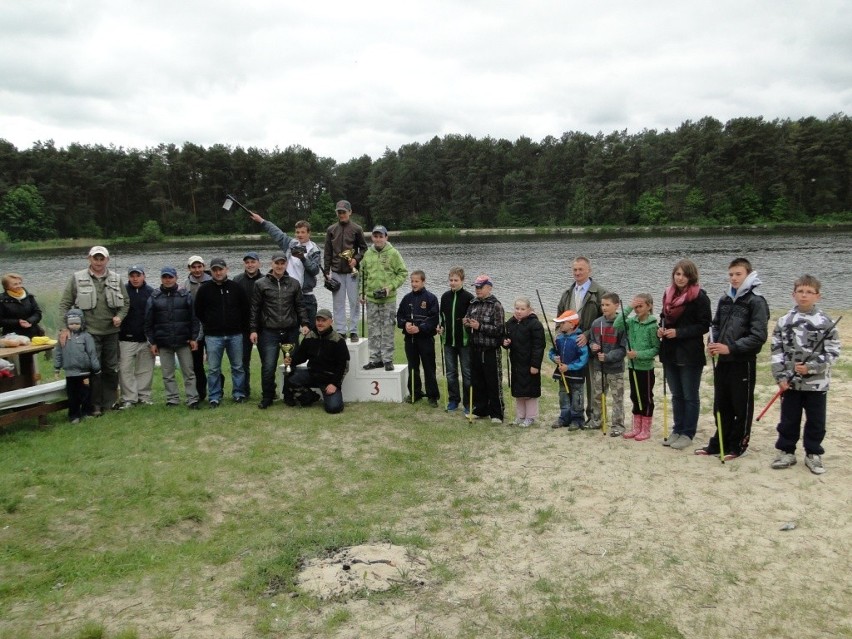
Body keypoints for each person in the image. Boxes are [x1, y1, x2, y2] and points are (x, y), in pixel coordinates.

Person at [698, 257, 770, 460]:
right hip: (722, 361)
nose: (734, 278)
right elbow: (715, 325)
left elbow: (758, 336)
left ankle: (737, 445)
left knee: (741, 406)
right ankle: (719, 441)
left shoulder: (756, 301)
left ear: (748, 274)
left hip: (743, 361)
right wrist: (712, 343)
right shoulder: (725, 298)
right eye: (731, 274)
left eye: (738, 274)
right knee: (721, 404)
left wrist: (731, 348)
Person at [770, 275, 841, 475]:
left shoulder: (826, 322)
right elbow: (777, 351)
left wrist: (811, 367)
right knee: (789, 419)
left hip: (817, 384)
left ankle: (813, 453)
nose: (804, 295)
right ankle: (786, 450)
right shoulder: (784, 321)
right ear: (794, 295)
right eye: (800, 291)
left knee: (816, 420)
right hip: (790, 383)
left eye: (809, 292)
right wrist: (781, 377)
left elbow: (833, 353)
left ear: (817, 296)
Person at [58, 246, 129, 416]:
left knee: (111, 368)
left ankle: (110, 403)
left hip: (111, 332)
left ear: (107, 260)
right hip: (88, 333)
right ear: (89, 258)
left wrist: (120, 316)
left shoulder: (116, 278)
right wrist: (64, 328)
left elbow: (126, 302)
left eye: (101, 258)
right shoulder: (77, 278)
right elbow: (64, 305)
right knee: (93, 370)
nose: (98, 262)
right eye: (95, 258)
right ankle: (94, 405)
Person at [658, 259, 712, 450]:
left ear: (691, 277)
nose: (680, 278)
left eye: (684, 274)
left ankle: (688, 432)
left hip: (689, 353)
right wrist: (661, 329)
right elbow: (663, 318)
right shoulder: (668, 294)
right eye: (677, 274)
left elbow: (705, 325)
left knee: (690, 395)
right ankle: (677, 428)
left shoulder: (699, 297)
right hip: (670, 352)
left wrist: (679, 333)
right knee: (676, 394)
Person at [250, 252, 310, 409]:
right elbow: (255, 309)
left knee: (291, 365)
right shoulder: (260, 284)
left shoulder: (294, 283)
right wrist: (253, 329)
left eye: (282, 263)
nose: (279, 266)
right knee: (268, 366)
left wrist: (304, 323)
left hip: (290, 330)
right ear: (272, 264)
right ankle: (268, 396)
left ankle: (289, 395)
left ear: (286, 265)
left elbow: (300, 306)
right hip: (269, 332)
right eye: (277, 263)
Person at [249, 212, 322, 330]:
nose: (300, 235)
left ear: (309, 233)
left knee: (310, 331)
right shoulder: (291, 244)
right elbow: (277, 233)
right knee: (291, 330)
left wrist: (303, 258)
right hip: (289, 293)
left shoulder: (315, 250)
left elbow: (314, 270)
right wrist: (262, 220)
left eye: (303, 232)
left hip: (306, 296)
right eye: (297, 232)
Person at [556, 257, 607, 424]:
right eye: (575, 270)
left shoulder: (600, 292)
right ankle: (571, 416)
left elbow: (605, 321)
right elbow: (559, 318)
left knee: (594, 384)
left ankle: (594, 417)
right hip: (570, 348)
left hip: (591, 347)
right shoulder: (567, 293)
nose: (577, 273)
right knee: (571, 383)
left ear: (589, 271)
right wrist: (560, 338)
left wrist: (586, 335)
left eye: (581, 269)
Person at [193, 258, 249, 407]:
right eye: (215, 270)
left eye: (220, 269)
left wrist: (238, 325)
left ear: (226, 269)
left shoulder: (236, 287)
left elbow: (245, 310)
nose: (218, 272)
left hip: (235, 334)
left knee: (237, 366)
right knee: (213, 369)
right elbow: (198, 311)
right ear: (211, 271)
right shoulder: (204, 289)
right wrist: (210, 323)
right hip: (212, 336)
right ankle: (215, 396)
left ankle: (238, 393)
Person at [144, 266, 200, 409]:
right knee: (167, 374)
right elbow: (148, 323)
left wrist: (194, 338)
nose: (167, 280)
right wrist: (152, 342)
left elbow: (194, 318)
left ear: (176, 278)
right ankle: (172, 399)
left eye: (170, 277)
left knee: (189, 372)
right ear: (161, 279)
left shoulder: (185, 295)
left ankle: (192, 398)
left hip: (183, 341)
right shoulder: (154, 297)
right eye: (165, 277)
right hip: (163, 342)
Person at [282, 308, 350, 414]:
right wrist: (291, 361)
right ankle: (311, 397)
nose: (320, 323)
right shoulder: (309, 336)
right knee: (290, 377)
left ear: (331, 321)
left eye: (323, 320)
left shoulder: (338, 340)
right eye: (318, 320)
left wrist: (334, 384)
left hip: (329, 379)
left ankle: (330, 398)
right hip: (312, 374)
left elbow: (343, 365)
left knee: (334, 408)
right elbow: (301, 356)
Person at [361, 225, 408, 371]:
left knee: (387, 329)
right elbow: (362, 275)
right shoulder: (368, 254)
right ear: (372, 238)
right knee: (373, 330)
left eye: (381, 236)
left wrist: (390, 287)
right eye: (376, 236)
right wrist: (361, 292)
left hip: (388, 299)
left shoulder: (393, 253)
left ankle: (387, 359)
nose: (378, 239)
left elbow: (403, 273)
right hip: (371, 299)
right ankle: (375, 359)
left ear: (386, 237)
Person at [614, 294, 660, 441]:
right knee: (635, 396)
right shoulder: (632, 322)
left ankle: (645, 429)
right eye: (636, 306)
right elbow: (617, 324)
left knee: (646, 397)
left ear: (649, 307)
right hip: (632, 366)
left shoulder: (653, 325)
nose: (637, 309)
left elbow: (655, 349)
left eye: (640, 306)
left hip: (645, 368)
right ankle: (636, 427)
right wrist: (629, 307)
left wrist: (638, 354)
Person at [323, 200, 368, 341]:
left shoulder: (357, 229)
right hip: (336, 271)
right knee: (338, 303)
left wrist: (356, 259)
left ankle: (353, 330)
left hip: (352, 272)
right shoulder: (331, 230)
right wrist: (326, 271)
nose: (341, 214)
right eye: (339, 212)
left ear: (350, 212)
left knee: (354, 302)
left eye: (343, 212)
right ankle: (341, 330)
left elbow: (364, 248)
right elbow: (327, 252)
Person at [464, 274, 505, 424]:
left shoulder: (496, 305)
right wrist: (467, 324)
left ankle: (497, 413)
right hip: (475, 347)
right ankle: (480, 410)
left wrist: (480, 326)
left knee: (493, 382)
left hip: (490, 350)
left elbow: (499, 330)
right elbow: (469, 325)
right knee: (477, 381)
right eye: (476, 287)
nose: (478, 290)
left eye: (480, 287)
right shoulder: (473, 304)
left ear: (489, 288)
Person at [397, 270, 440, 406]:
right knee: (413, 367)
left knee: (429, 367)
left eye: (416, 281)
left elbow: (433, 319)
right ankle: (415, 393)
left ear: (423, 281)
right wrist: (406, 324)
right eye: (412, 281)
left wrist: (419, 328)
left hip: (425, 339)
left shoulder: (431, 298)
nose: (414, 284)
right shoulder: (406, 298)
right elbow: (399, 316)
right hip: (410, 340)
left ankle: (432, 396)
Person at [588, 292, 627, 436]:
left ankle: (618, 424)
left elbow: (623, 349)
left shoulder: (622, 324)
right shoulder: (597, 323)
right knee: (597, 395)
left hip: (615, 369)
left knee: (617, 398)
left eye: (607, 305)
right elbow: (591, 340)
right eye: (602, 305)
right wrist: (593, 347)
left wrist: (609, 356)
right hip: (598, 367)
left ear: (616, 305)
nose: (604, 307)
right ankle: (597, 420)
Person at [502, 297, 545, 427]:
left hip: (529, 363)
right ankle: (520, 416)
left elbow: (539, 346)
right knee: (518, 391)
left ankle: (530, 417)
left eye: (522, 309)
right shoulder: (511, 322)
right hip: (516, 362)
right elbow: (505, 338)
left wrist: (535, 365)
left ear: (529, 310)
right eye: (517, 308)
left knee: (530, 391)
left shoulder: (535, 325)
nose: (519, 311)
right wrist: (505, 343)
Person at [117, 265, 155, 408]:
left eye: (138, 275)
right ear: (128, 277)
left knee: (145, 369)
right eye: (132, 275)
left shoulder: (151, 292)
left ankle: (143, 396)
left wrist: (153, 338)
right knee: (125, 369)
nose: (135, 278)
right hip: (126, 338)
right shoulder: (122, 292)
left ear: (143, 276)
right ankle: (129, 398)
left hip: (145, 338)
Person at [53, 309, 100, 424]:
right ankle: (74, 415)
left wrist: (96, 368)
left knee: (85, 394)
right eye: (71, 324)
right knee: (72, 395)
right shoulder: (62, 337)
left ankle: (86, 412)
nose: (74, 326)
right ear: (67, 324)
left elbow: (92, 353)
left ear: (82, 323)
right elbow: (58, 353)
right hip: (70, 372)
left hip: (84, 372)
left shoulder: (86, 337)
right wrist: (57, 368)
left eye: (77, 323)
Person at [439, 267, 474, 414]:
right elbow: (442, 317)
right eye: (451, 280)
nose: (453, 283)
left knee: (467, 373)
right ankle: (454, 400)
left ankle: (468, 403)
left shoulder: (469, 297)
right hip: (448, 342)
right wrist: (440, 327)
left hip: (464, 342)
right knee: (451, 373)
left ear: (462, 281)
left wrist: (467, 324)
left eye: (456, 280)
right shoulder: (445, 297)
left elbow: (472, 318)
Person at [548, 311, 588, 430]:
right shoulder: (559, 338)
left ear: (572, 324)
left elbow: (583, 358)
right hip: (562, 374)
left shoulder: (579, 339)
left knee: (577, 397)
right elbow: (552, 352)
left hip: (576, 375)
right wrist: (554, 358)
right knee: (563, 396)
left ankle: (577, 419)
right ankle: (564, 417)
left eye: (562, 323)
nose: (560, 326)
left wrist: (569, 367)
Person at [233, 252, 263, 398]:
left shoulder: (266, 280)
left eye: (253, 262)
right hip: (243, 328)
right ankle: (244, 390)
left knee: (267, 361)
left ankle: (268, 390)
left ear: (259, 263)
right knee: (243, 361)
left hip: (263, 327)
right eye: (247, 262)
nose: (250, 265)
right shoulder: (237, 280)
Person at [185, 255, 212, 402]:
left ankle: (216, 392)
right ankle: (201, 393)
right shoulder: (184, 285)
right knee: (196, 364)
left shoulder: (213, 281)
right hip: (194, 331)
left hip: (212, 329)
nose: (197, 270)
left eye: (199, 266)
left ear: (204, 266)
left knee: (214, 363)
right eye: (193, 267)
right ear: (189, 269)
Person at [1, 272, 44, 338]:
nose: (19, 286)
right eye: (15, 284)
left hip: (33, 333)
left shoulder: (29, 297)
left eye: (20, 283)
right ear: (6, 286)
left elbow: (37, 313)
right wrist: (18, 322)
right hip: (11, 336)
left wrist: (29, 321)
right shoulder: (2, 300)